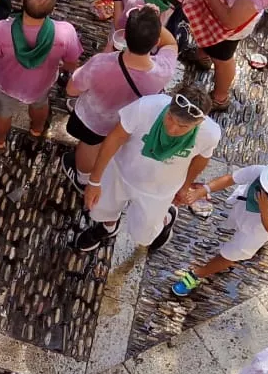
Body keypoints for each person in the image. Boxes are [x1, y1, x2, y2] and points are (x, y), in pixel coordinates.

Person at [74, 84, 221, 254]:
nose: (172, 129)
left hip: (160, 189)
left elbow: (202, 159)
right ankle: (108, 227)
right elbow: (115, 138)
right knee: (102, 209)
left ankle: (166, 219)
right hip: (120, 172)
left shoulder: (210, 133)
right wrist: (94, 180)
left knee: (143, 235)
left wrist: (185, 186)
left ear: (199, 122)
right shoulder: (145, 107)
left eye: (183, 127)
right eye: (170, 119)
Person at [67, 6, 178, 185]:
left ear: (124, 36)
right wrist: (154, 20)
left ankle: (82, 178)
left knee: (88, 146)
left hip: (94, 121)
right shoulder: (164, 69)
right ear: (156, 41)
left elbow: (71, 90)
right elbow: (171, 43)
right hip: (128, 126)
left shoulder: (100, 63)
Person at [170, 159, 268, 297]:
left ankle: (197, 274)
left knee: (230, 254)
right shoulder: (258, 171)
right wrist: (203, 190)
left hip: (256, 231)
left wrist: (264, 210)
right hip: (242, 211)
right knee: (235, 226)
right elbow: (231, 178)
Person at [0, 0, 80, 150]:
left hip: (6, 83)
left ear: (23, 0)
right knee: (40, 105)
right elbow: (71, 63)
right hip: (41, 83)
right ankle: (36, 131)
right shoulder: (66, 32)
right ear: (52, 9)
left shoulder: (1, 29)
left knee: (3, 112)